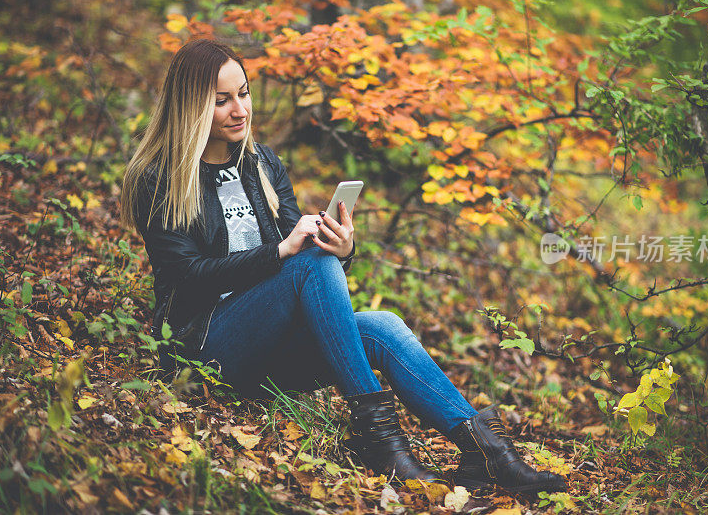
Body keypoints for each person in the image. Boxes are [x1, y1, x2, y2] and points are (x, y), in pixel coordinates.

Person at [119, 38, 566, 494]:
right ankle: (379, 438)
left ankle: (486, 454)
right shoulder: (160, 179)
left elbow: (309, 268)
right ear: (192, 106)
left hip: (267, 349)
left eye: (245, 93)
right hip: (203, 350)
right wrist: (280, 252)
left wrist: (339, 248)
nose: (240, 110)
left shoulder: (262, 164)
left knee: (383, 326)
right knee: (307, 261)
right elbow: (187, 278)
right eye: (222, 101)